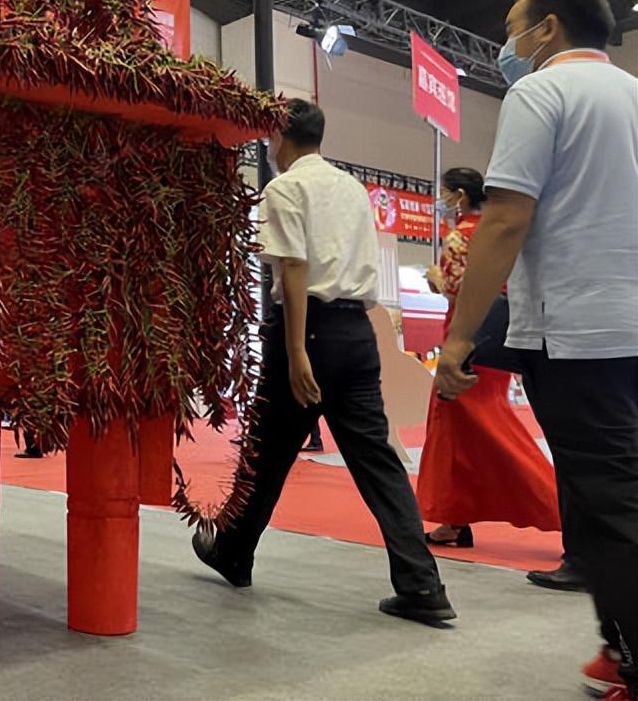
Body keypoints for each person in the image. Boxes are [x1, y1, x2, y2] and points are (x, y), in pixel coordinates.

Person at [435, 0, 637, 700]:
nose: (509, 45)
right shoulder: (632, 94)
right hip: (625, 325)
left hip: (576, 329)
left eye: (514, 28)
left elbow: (506, 218)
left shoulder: (541, 92)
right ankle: (617, 645)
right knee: (601, 496)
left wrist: (458, 339)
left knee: (611, 505)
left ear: (548, 28)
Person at [192, 100, 454, 624]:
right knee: (377, 462)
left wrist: (295, 352)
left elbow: (293, 267)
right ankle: (423, 585)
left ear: (279, 138)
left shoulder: (284, 188)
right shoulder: (351, 188)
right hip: (356, 331)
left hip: (307, 329)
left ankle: (234, 551)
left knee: (266, 452)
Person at [417, 168, 560, 547]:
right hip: (495, 340)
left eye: (445, 193)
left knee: (482, 431)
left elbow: (457, 288)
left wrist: (435, 278)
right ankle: (453, 519)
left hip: (464, 340)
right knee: (466, 432)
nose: (443, 200)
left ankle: (565, 508)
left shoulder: (461, 236)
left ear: (461, 196)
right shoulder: (501, 235)